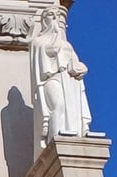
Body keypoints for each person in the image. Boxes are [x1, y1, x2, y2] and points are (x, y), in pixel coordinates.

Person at [30, 4, 92, 142]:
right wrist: (56, 37)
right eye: (50, 15)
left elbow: (75, 61)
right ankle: (55, 135)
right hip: (52, 78)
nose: (54, 18)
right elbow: (45, 55)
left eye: (56, 16)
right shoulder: (39, 42)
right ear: (44, 20)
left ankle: (76, 131)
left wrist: (81, 68)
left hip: (69, 79)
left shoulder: (66, 45)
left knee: (72, 108)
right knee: (58, 105)